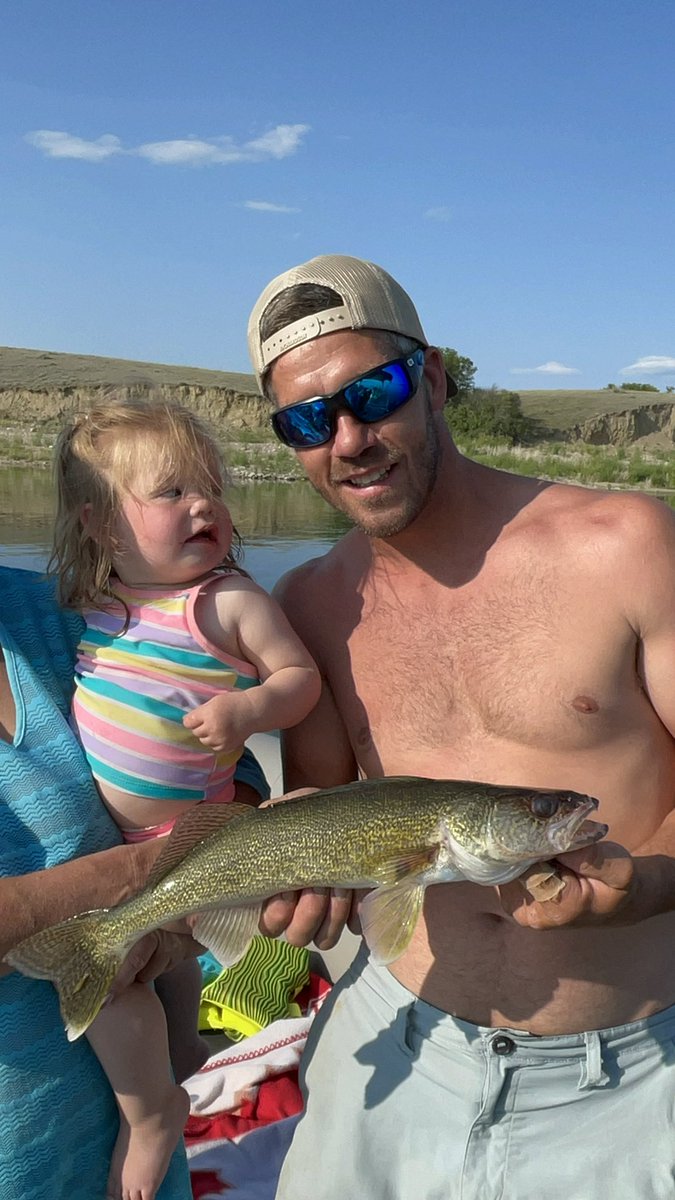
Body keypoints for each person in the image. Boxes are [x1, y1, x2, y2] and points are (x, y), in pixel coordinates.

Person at [247, 254, 675, 1199]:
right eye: (308, 421)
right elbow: (314, 805)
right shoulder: (310, 604)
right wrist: (300, 893)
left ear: (433, 379)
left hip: (631, 1079)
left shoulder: (628, 546)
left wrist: (645, 888)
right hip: (394, 1043)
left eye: (374, 393)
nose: (349, 438)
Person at [43, 396, 320, 1200]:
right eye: (171, 493)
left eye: (210, 489)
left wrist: (247, 710)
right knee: (169, 971)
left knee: (113, 982)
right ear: (100, 524)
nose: (204, 505)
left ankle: (151, 1113)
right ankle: (188, 1060)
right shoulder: (101, 603)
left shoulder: (227, 601)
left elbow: (298, 678)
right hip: (121, 840)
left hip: (183, 836)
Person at [0, 561, 268, 1200]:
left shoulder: (71, 611)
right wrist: (141, 881)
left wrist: (175, 927)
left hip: (126, 1169)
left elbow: (229, 773)